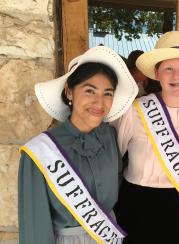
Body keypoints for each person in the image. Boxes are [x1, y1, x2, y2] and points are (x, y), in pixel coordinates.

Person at [18, 46, 138, 244]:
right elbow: (35, 228)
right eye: (89, 90)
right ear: (69, 92)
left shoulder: (109, 135)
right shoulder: (39, 153)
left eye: (107, 93)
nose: (99, 102)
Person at [113, 31, 179, 244]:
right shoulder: (134, 112)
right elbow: (114, 159)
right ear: (157, 72)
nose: (176, 76)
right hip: (138, 209)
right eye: (168, 68)